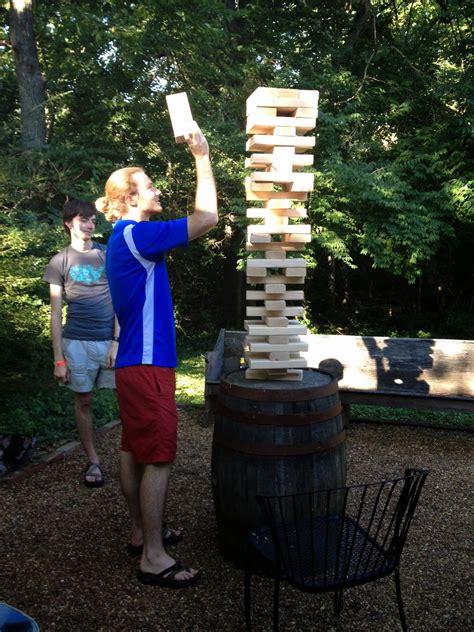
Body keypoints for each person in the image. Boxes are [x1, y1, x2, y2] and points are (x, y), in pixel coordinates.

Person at [95, 121, 217, 589]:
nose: (157, 188)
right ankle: (154, 555)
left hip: (133, 364)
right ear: (129, 199)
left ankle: (140, 532)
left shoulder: (121, 240)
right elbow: (207, 219)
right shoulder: (136, 234)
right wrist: (202, 157)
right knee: (159, 455)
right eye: (149, 185)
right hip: (147, 364)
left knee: (133, 450)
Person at [44, 200, 119, 487]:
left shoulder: (108, 255)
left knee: (125, 400)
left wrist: (116, 341)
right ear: (68, 223)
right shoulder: (59, 261)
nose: (89, 226)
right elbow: (54, 312)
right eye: (83, 220)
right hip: (76, 342)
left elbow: (121, 302)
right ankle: (93, 460)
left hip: (109, 341)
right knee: (83, 400)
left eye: (92, 221)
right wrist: (58, 358)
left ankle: (132, 457)